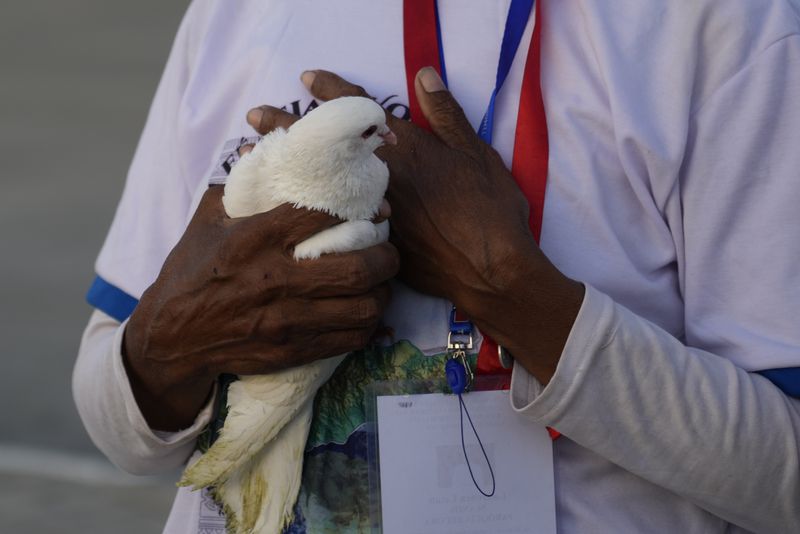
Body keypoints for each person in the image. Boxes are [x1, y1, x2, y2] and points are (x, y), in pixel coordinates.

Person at [73, 0, 800, 532]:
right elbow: (118, 423)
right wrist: (171, 344)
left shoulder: (728, 25)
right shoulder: (242, 11)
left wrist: (509, 289)